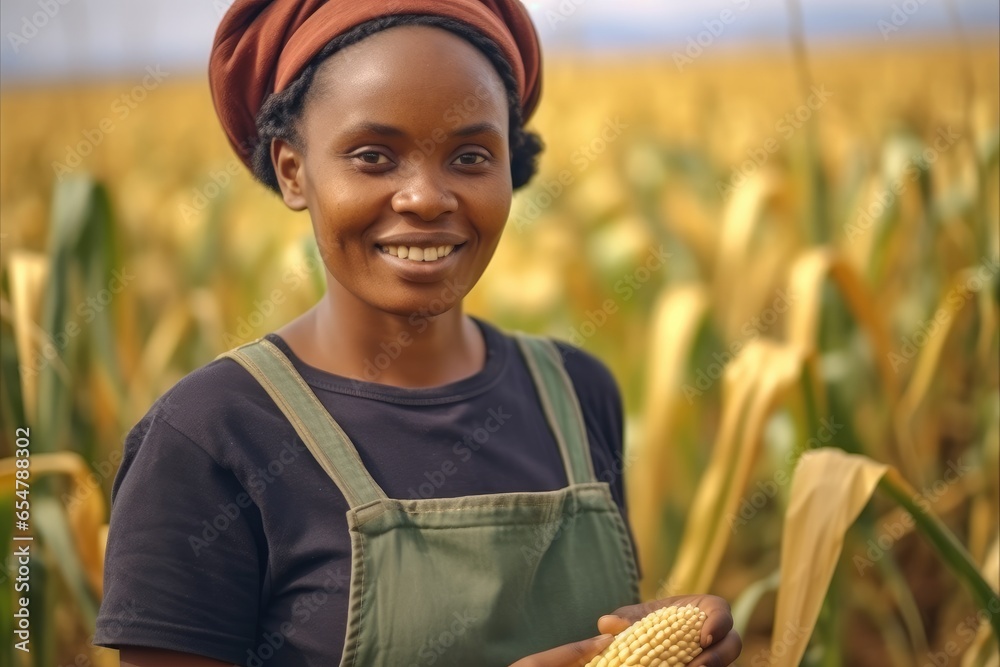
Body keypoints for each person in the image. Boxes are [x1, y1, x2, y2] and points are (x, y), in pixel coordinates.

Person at [94, 1, 744, 666]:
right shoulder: (207, 440)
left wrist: (669, 640)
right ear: (293, 170)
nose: (427, 198)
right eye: (374, 156)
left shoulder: (578, 395)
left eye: (470, 156)